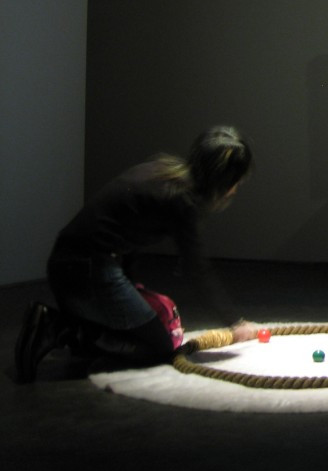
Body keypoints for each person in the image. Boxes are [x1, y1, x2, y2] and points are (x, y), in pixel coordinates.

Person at [15, 126, 259, 383]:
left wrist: (131, 286)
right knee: (159, 347)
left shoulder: (162, 172)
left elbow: (125, 231)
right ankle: (59, 329)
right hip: (85, 273)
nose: (235, 190)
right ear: (223, 180)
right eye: (236, 182)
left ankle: (74, 328)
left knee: (141, 329)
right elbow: (196, 268)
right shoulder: (182, 200)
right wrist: (235, 323)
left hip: (69, 266)